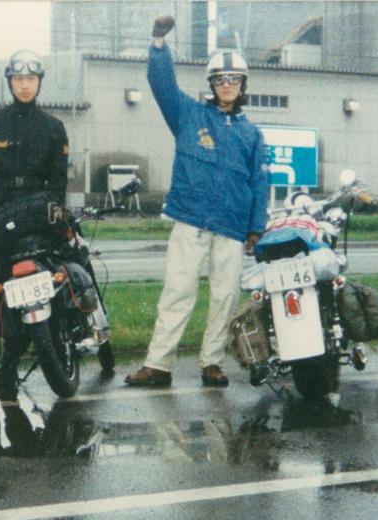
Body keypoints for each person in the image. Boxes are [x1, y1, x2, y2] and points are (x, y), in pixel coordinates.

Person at [124, 15, 268, 389]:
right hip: (190, 220)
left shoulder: (252, 135)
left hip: (233, 228)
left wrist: (255, 227)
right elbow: (161, 84)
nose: (227, 85)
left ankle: (212, 363)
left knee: (224, 297)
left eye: (234, 79)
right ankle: (158, 365)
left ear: (243, 85)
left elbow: (259, 182)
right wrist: (158, 43)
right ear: (212, 84)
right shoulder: (188, 115)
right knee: (178, 291)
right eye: (221, 79)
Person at [0, 49, 70, 401]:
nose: (25, 86)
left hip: (38, 211)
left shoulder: (54, 128)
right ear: (10, 82)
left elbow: (58, 183)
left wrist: (57, 216)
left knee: (61, 273)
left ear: (40, 83)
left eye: (31, 79)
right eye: (19, 79)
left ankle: (65, 335)